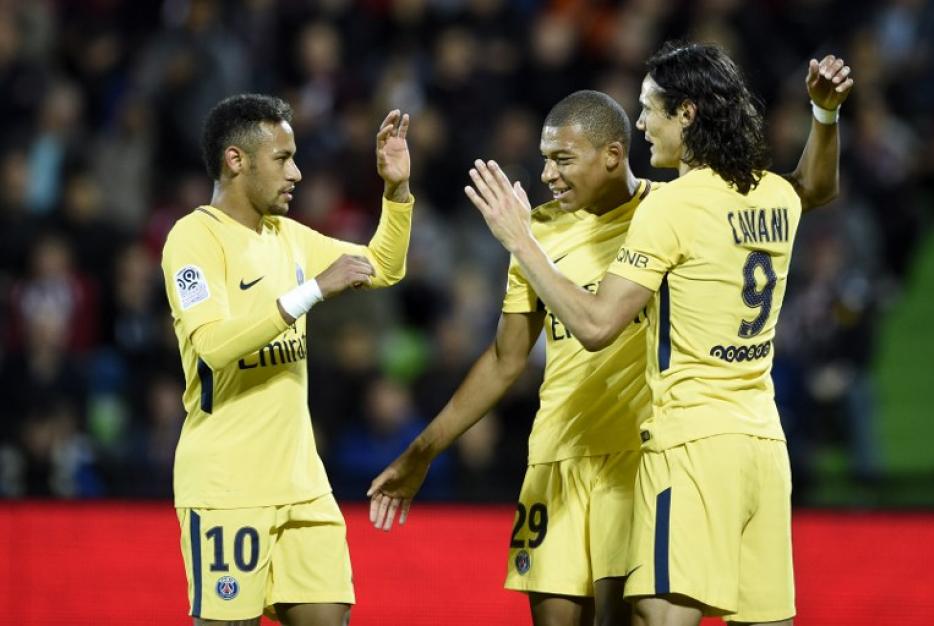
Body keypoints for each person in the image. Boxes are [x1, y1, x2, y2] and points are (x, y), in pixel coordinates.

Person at [369, 51, 849, 626]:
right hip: (563, 455)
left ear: (613, 155)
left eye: (563, 159)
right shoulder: (545, 227)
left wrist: (520, 242)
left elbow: (598, 324)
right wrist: (424, 449)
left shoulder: (663, 206)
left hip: (645, 455)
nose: (547, 174)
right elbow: (505, 359)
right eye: (545, 159)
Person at [161, 94, 413, 626]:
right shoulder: (194, 238)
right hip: (229, 487)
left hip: (303, 485)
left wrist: (395, 191)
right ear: (237, 160)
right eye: (282, 158)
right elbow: (212, 345)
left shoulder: (289, 237)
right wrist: (310, 293)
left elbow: (383, 267)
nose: (296, 172)